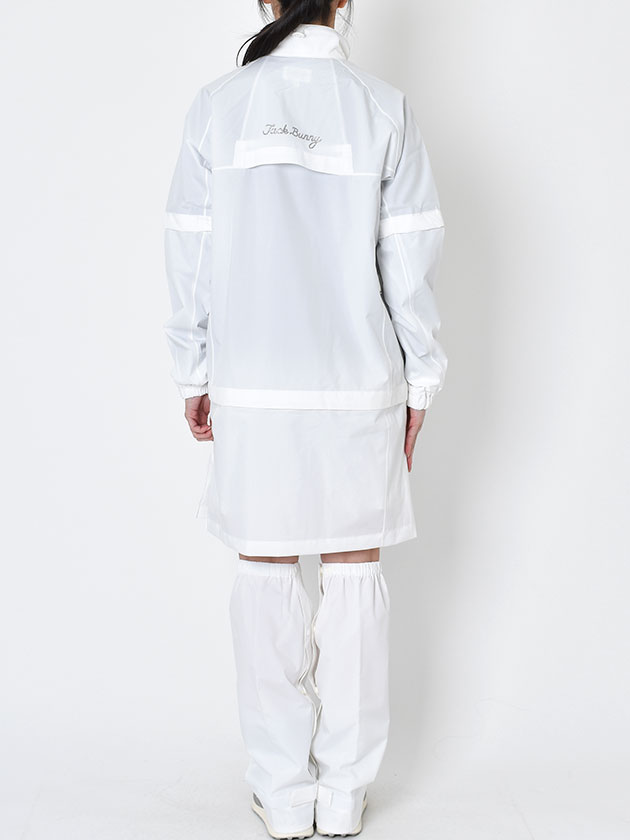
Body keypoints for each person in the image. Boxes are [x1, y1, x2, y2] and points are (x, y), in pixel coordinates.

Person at [162, 0, 448, 836]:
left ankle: (285, 795)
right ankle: (344, 795)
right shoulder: (382, 108)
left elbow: (190, 249)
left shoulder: (219, 106)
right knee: (353, 576)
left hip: (254, 387)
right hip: (359, 384)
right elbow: (411, 258)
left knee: (266, 577)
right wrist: (421, 381)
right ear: (344, 1)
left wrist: (194, 370)